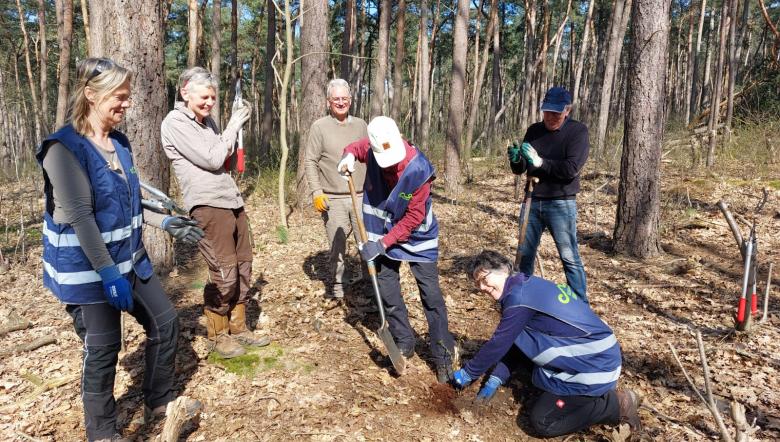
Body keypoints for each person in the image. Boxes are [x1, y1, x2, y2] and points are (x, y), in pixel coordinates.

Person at [37, 57, 204, 442]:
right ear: (91, 95)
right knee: (104, 349)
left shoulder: (120, 144)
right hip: (88, 273)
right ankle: (103, 432)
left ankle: (158, 401)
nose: (127, 105)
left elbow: (126, 204)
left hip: (130, 261)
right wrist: (108, 274)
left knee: (165, 323)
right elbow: (81, 217)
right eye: (120, 97)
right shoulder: (63, 149)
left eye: (128, 97)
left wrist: (165, 222)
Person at [451, 250, 642, 438]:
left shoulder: (518, 300)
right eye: (478, 284)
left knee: (543, 421)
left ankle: (616, 404)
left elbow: (498, 343)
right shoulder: (525, 285)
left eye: (485, 279)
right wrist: (497, 378)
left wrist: (468, 373)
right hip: (596, 355)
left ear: (503, 269)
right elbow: (516, 341)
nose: (482, 287)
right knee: (532, 373)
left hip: (594, 367)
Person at [161, 66, 270, 359]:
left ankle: (238, 327)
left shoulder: (208, 123)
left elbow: (225, 160)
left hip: (231, 200)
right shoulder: (175, 122)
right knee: (224, 272)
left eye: (213, 97)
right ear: (185, 92)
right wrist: (233, 124)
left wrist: (235, 135)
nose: (209, 103)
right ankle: (217, 333)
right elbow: (211, 159)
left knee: (244, 265)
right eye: (204, 97)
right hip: (208, 205)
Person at [338, 116, 456, 383]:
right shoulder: (373, 146)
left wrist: (380, 244)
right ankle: (404, 340)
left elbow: (413, 220)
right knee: (388, 288)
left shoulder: (418, 171)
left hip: (417, 239)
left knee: (431, 296)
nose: (390, 165)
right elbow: (357, 148)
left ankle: (443, 354)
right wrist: (347, 157)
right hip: (382, 232)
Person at [508, 86, 589, 302]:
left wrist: (541, 162)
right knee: (524, 254)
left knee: (569, 256)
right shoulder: (534, 130)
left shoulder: (577, 132)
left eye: (556, 113)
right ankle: (523, 300)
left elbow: (571, 168)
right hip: (532, 199)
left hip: (561, 203)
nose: (551, 117)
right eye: (547, 112)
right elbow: (521, 168)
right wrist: (516, 160)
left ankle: (581, 304)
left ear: (567, 111)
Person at [304, 78, 368, 299]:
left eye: (344, 98)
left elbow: (370, 156)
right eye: (336, 99)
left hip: (360, 195)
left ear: (350, 100)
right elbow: (310, 161)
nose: (341, 102)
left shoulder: (361, 125)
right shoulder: (319, 127)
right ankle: (339, 286)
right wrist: (316, 191)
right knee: (337, 246)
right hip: (332, 197)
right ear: (328, 101)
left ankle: (371, 284)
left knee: (366, 242)